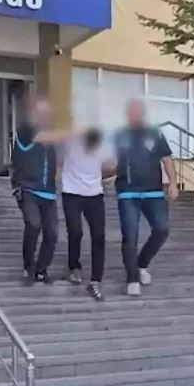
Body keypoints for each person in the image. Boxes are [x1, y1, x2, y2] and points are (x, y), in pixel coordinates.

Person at [114, 99, 178, 297]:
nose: (134, 114)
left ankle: (142, 263)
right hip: (128, 192)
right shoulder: (119, 134)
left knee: (162, 229)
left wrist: (173, 183)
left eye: (137, 111)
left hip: (154, 192)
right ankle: (132, 279)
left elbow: (167, 159)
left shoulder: (155, 133)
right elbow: (110, 161)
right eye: (130, 111)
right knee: (130, 236)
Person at [61, 128, 115, 301]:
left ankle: (95, 281)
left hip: (94, 194)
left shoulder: (104, 146)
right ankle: (74, 267)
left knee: (99, 235)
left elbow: (114, 165)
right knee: (75, 231)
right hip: (71, 192)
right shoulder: (70, 142)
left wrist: (99, 176)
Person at [11, 98, 58, 285]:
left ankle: (41, 270)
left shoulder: (50, 136)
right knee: (33, 224)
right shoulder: (25, 131)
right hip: (27, 188)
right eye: (40, 113)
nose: (44, 117)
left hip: (49, 192)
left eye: (47, 114)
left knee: (52, 233)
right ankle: (28, 267)